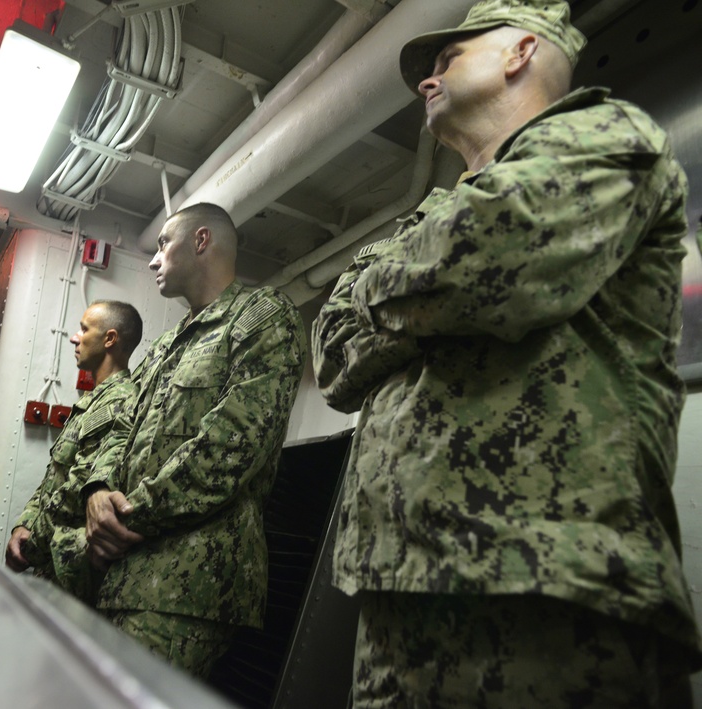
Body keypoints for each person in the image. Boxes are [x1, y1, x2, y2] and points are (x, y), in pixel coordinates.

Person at [312, 1, 702, 706]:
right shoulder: (422, 218)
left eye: (446, 61)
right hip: (394, 598)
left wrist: (391, 296)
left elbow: (488, 253)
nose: (426, 82)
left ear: (519, 52)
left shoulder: (605, 133)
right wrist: (424, 295)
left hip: (544, 598)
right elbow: (332, 355)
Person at [80, 202, 306, 678]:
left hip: (188, 586)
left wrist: (122, 516)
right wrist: (98, 491)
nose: (154, 258)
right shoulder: (167, 344)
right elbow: (121, 422)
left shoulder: (263, 317)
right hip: (122, 574)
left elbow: (232, 446)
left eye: (164, 243)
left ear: (201, 241)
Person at [5, 300, 142, 605]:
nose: (74, 337)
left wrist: (31, 545)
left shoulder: (119, 402)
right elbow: (55, 475)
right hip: (53, 568)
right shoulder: (92, 401)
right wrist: (24, 525)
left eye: (84, 329)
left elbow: (76, 489)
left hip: (73, 576)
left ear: (109, 339)